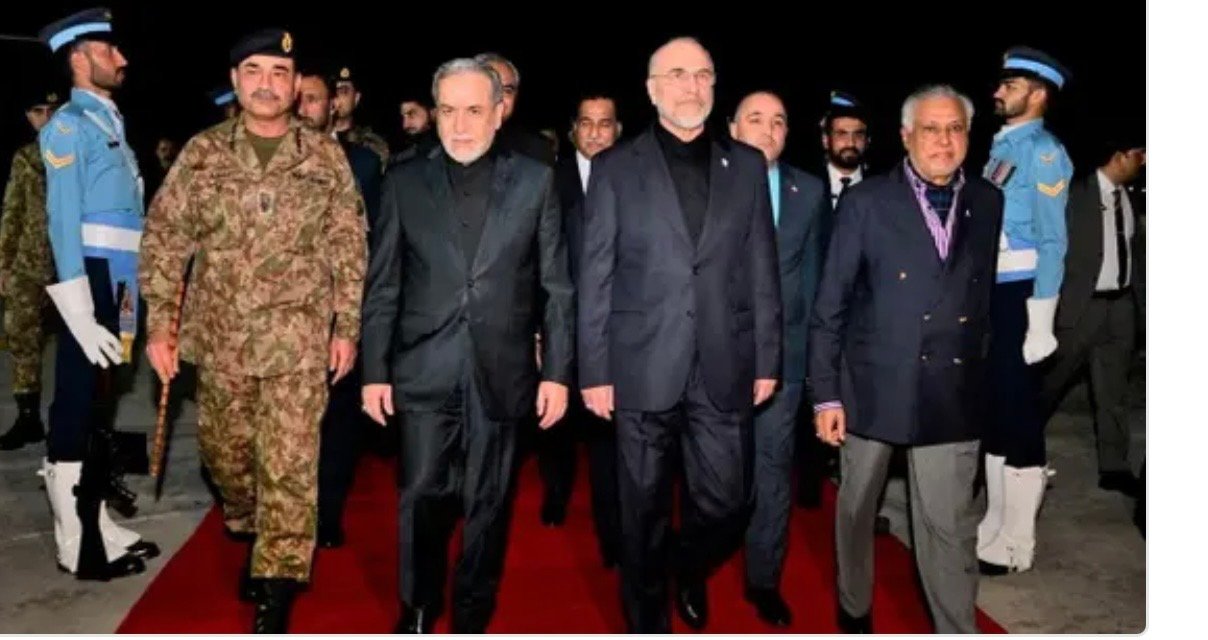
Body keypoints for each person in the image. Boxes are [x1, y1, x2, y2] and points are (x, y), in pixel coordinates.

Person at [139, 28, 367, 632]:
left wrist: (346, 325)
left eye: (280, 73)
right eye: (254, 71)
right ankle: (250, 524)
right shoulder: (203, 153)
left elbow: (349, 246)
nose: (267, 84)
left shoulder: (324, 158)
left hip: (298, 340)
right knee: (227, 458)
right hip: (223, 339)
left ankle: (277, 582)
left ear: (295, 86)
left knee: (290, 463)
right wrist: (160, 325)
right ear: (236, 81)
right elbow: (165, 239)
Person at [360, 57, 573, 634]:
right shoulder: (404, 180)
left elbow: (557, 287)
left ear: (499, 113)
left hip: (503, 371)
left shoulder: (536, 181)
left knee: (489, 503)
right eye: (448, 111)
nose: (459, 125)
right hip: (423, 366)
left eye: (474, 110)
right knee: (419, 494)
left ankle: (473, 612)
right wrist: (374, 372)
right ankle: (419, 606)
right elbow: (383, 284)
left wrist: (556, 373)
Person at [577, 37, 781, 633]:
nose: (692, 87)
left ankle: (684, 566)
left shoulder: (746, 165)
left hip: (724, 361)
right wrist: (594, 370)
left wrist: (767, 358)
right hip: (640, 365)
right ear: (651, 89)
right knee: (640, 513)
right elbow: (596, 275)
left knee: (728, 502)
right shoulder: (616, 167)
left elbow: (762, 268)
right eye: (678, 74)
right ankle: (647, 622)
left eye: (703, 75)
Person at [809, 85, 1001, 634]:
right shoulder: (867, 202)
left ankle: (955, 628)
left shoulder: (988, 201)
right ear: (905, 136)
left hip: (950, 389)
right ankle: (854, 608)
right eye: (931, 129)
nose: (944, 141)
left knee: (949, 527)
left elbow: (981, 301)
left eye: (955, 129)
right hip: (873, 385)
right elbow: (830, 305)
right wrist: (826, 394)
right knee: (856, 509)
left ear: (969, 135)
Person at [35, 6, 159, 581]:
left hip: (121, 277)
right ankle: (74, 540)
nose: (122, 58)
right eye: (110, 51)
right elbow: (63, 219)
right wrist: (78, 306)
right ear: (79, 58)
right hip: (90, 277)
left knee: (101, 402)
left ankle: (96, 519)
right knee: (76, 399)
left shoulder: (108, 121)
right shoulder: (68, 126)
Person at [729, 90, 826, 627]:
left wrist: (809, 366)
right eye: (756, 119)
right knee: (712, 475)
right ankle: (695, 563)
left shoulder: (807, 191)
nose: (768, 129)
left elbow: (812, 281)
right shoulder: (705, 182)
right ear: (732, 127)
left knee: (772, 469)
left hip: (783, 362)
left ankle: (764, 578)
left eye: (779, 121)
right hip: (714, 359)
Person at [977, 46, 1074, 576]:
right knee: (995, 412)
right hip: (994, 292)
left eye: (1009, 85)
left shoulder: (1043, 152)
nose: (998, 91)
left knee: (1019, 415)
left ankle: (1018, 543)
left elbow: (1054, 240)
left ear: (1037, 94)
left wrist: (1042, 319)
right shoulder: (1003, 145)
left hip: (1022, 294)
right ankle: (994, 523)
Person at [538, 93, 623, 569]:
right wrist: (538, 330)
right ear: (573, 130)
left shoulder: (634, 179)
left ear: (618, 130)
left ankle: (612, 532)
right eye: (586, 123)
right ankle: (556, 493)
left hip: (617, 330)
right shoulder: (550, 179)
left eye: (604, 124)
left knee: (609, 435)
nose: (594, 132)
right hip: (563, 324)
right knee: (559, 424)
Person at [0, 87, 60, 451]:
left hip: (69, 264)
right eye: (38, 112)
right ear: (29, 117)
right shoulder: (25, 158)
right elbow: (13, 211)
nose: (46, 118)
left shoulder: (78, 153)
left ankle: (75, 418)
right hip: (29, 263)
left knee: (78, 342)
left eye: (52, 110)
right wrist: (4, 263)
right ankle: (28, 417)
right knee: (21, 337)